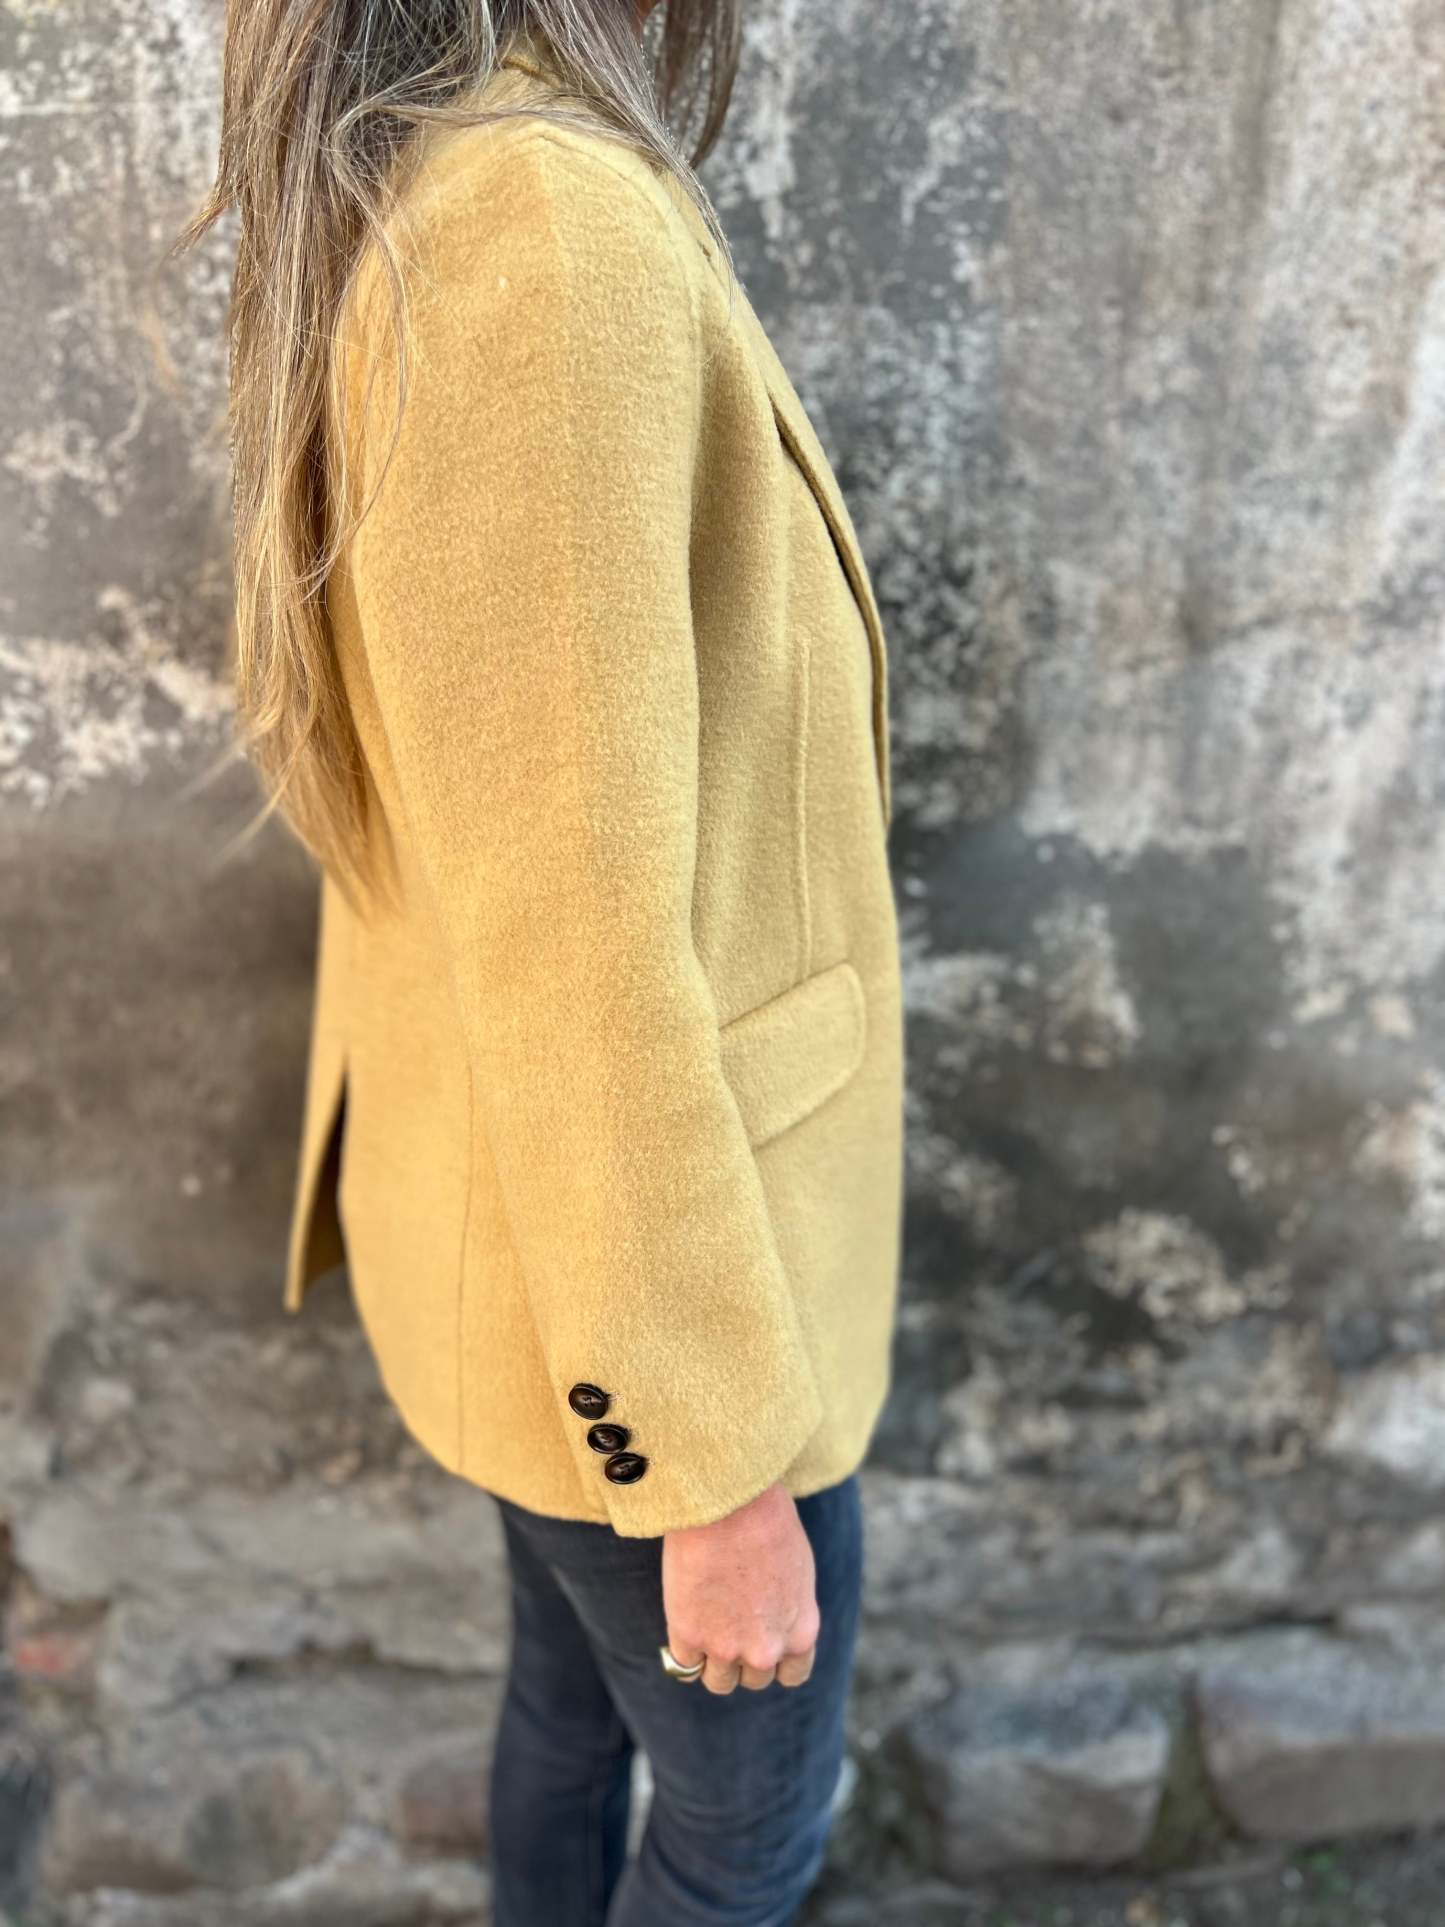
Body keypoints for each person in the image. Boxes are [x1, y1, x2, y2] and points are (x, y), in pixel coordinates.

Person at [180, 3, 904, 1921]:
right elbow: (573, 925)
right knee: (742, 1842)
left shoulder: (428, 179)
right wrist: (712, 1469)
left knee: (570, 1727)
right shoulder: (537, 228)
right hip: (658, 1301)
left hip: (543, 1257)